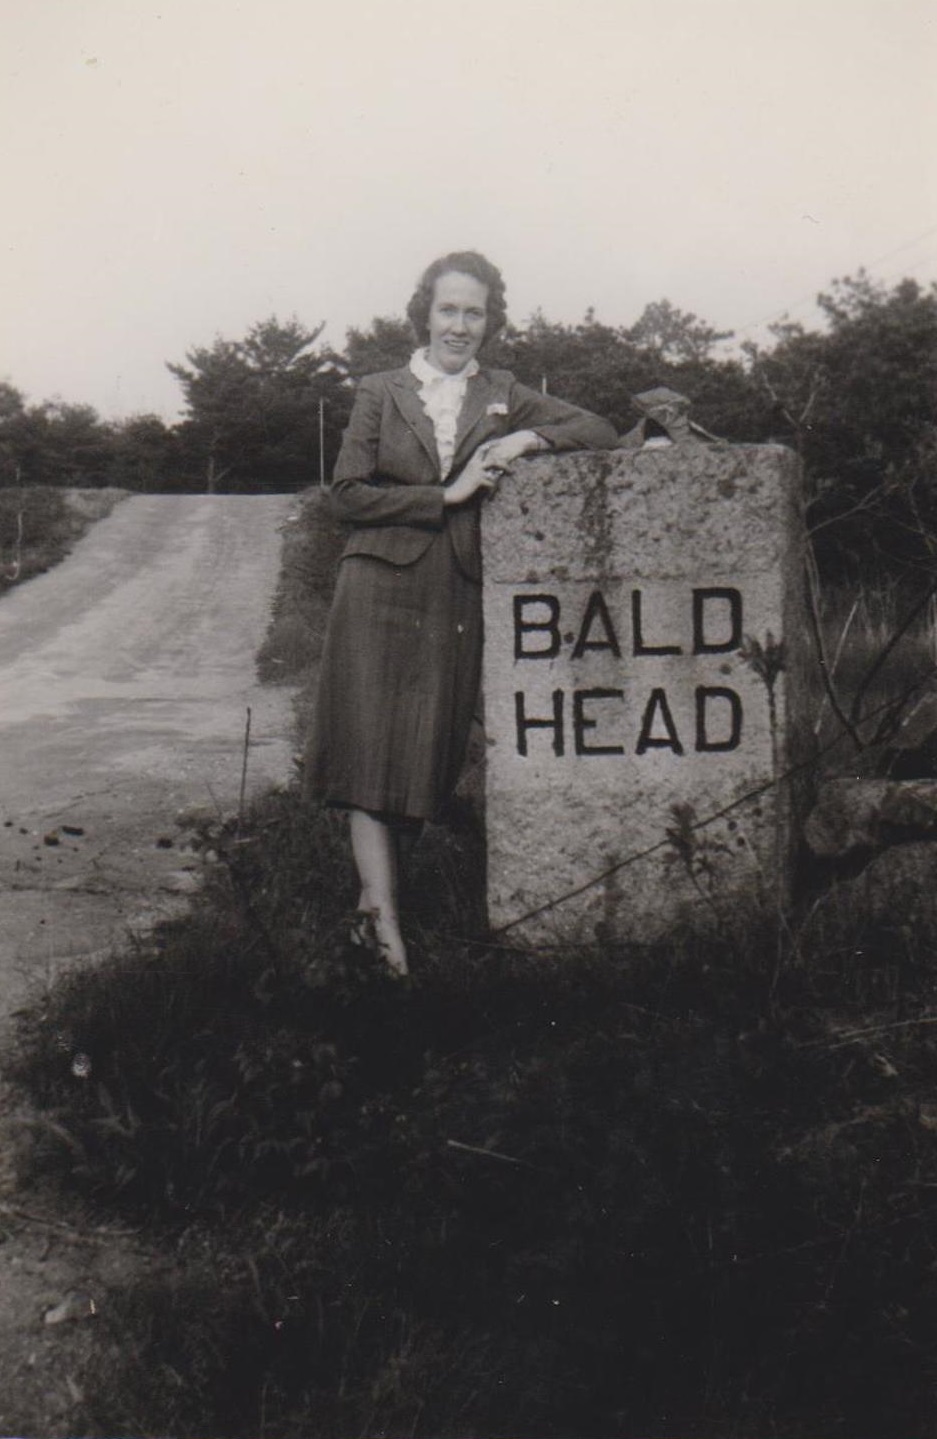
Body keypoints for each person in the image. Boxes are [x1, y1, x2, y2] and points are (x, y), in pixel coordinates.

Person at [306, 250, 617, 975]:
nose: (459, 325)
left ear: (489, 319)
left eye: (473, 311)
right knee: (367, 754)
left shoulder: (505, 392)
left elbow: (598, 428)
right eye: (448, 309)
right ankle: (386, 932)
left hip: (454, 587)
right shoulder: (380, 390)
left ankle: (374, 908)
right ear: (425, 313)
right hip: (378, 585)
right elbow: (345, 494)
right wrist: (443, 496)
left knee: (422, 755)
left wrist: (525, 437)